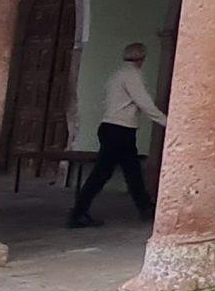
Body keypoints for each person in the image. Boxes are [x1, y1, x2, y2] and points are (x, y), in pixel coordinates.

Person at [71, 43, 166, 228]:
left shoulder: (116, 75)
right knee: (110, 173)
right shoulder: (133, 76)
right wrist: (168, 123)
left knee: (129, 172)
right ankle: (78, 213)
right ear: (142, 58)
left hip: (110, 127)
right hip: (121, 130)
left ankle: (145, 208)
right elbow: (145, 103)